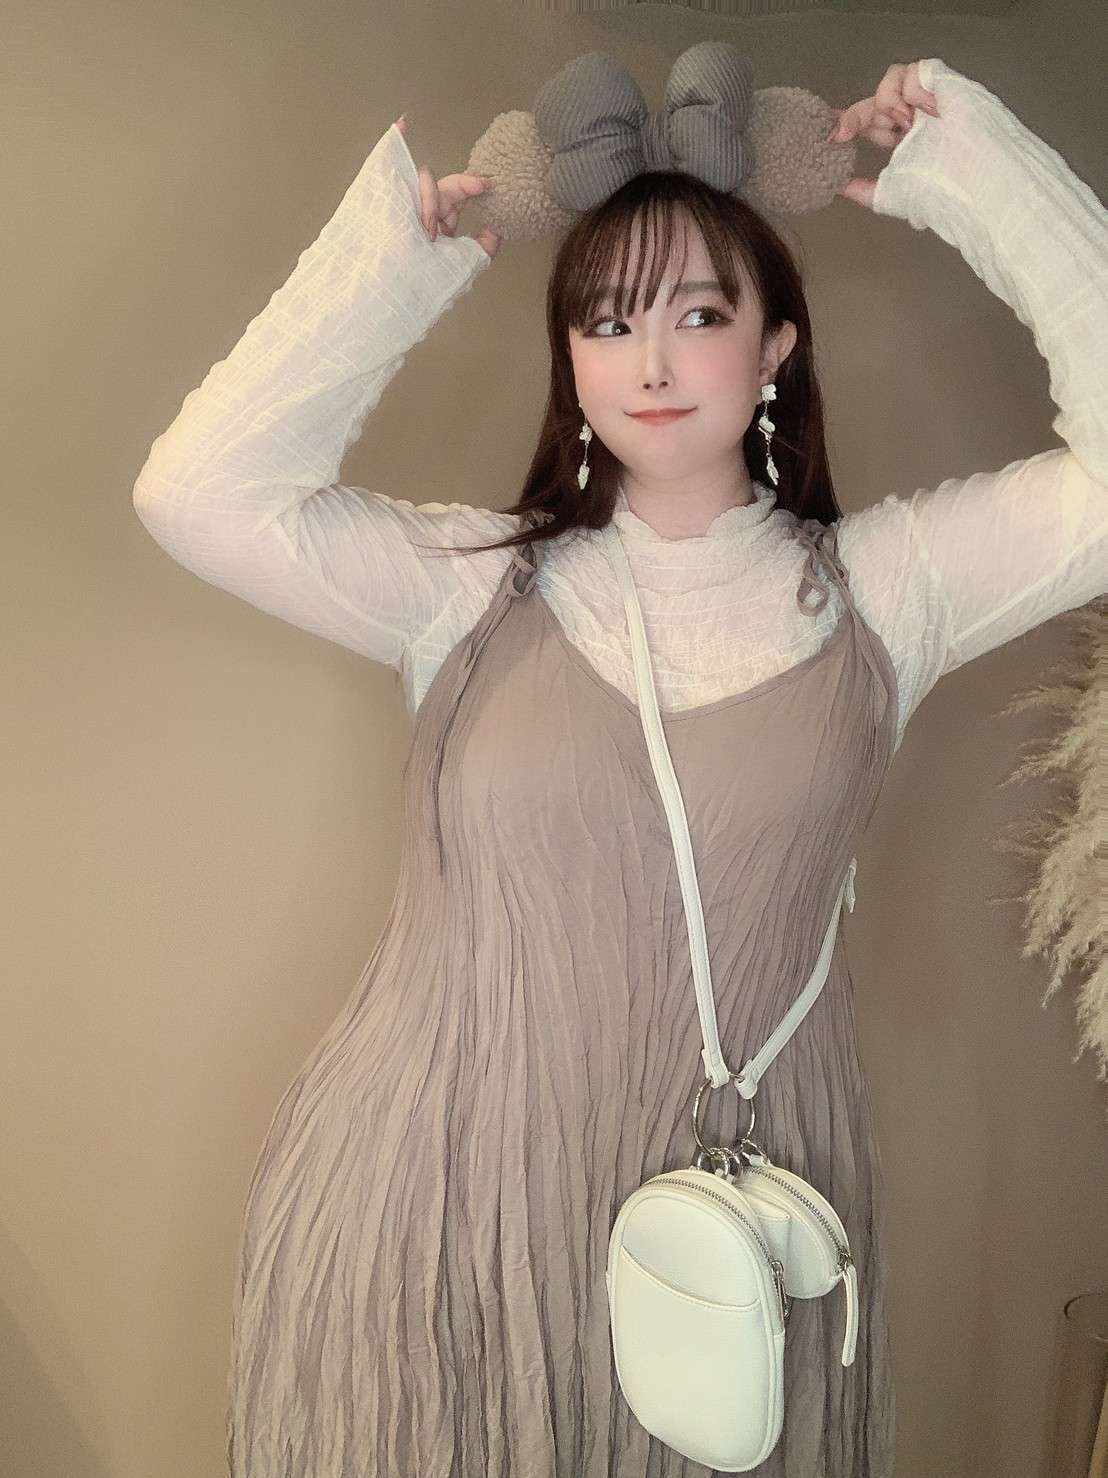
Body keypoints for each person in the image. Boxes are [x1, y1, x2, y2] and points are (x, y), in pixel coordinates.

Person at [132, 55, 1107, 1478]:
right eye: (608, 318)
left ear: (776, 347)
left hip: (736, 1236)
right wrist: (398, 268)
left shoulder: (888, 587)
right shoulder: (466, 583)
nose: (650, 361)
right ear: (573, 360)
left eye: (699, 314)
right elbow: (195, 493)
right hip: (438, 1205)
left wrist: (979, 178)